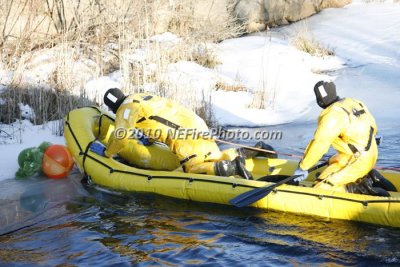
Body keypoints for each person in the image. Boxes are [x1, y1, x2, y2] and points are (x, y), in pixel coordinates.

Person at [90, 88, 275, 179]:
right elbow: (159, 118)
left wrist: (107, 153)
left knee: (192, 170)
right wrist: (150, 136)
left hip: (184, 138)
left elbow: (121, 137)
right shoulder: (141, 96)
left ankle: (232, 168)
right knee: (213, 156)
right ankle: (250, 150)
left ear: (113, 107)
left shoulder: (126, 109)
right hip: (197, 125)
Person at [293, 80, 380, 194]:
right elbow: (373, 126)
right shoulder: (352, 102)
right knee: (327, 169)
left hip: (358, 161)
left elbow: (320, 143)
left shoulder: (333, 114)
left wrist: (303, 166)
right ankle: (367, 176)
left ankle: (359, 188)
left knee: (320, 189)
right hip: (369, 153)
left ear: (319, 100)